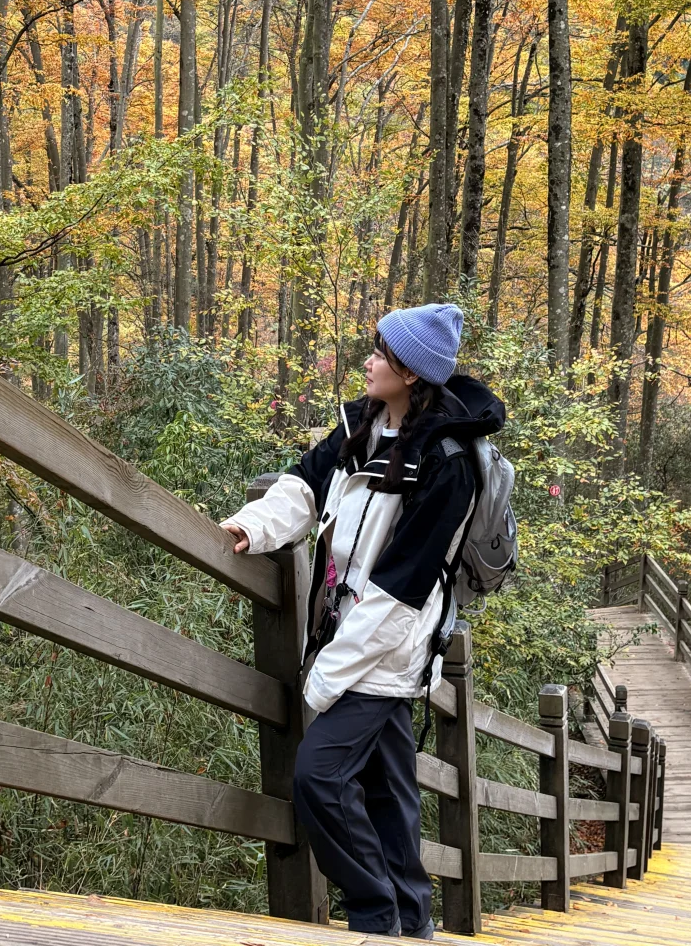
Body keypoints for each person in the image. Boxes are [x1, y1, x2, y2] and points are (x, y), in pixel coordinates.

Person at [220, 302, 505, 939]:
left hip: (386, 647)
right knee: (388, 793)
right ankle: (411, 921)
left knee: (319, 776)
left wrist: (328, 676)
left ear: (412, 373)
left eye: (381, 354)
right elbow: (304, 485)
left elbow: (399, 592)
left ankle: (376, 918)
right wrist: (252, 526)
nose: (368, 362)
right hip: (349, 632)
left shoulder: (449, 463)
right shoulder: (365, 426)